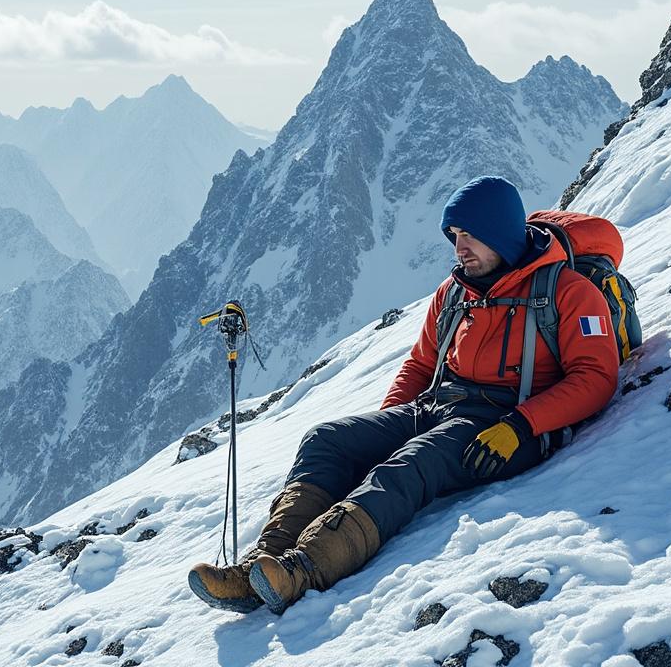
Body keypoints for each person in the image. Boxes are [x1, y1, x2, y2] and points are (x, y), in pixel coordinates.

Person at [188, 175, 620, 614]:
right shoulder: (455, 293)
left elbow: (596, 378)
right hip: (436, 406)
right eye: (454, 235)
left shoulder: (567, 293)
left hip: (503, 425)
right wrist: (384, 429)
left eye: (470, 235)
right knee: (326, 439)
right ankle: (256, 567)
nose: (459, 248)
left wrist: (522, 425)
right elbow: (419, 365)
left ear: (500, 234)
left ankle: (300, 571)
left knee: (414, 463)